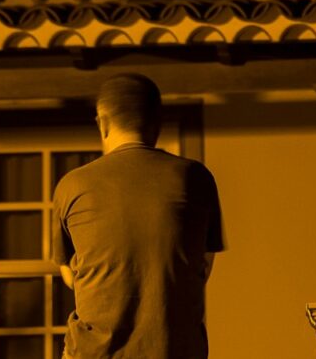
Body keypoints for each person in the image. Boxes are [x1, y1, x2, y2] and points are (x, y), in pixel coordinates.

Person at [52, 73, 225, 358]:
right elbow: (204, 265)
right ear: (157, 123)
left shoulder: (73, 185)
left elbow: (70, 275)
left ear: (102, 123)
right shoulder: (195, 179)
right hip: (175, 348)